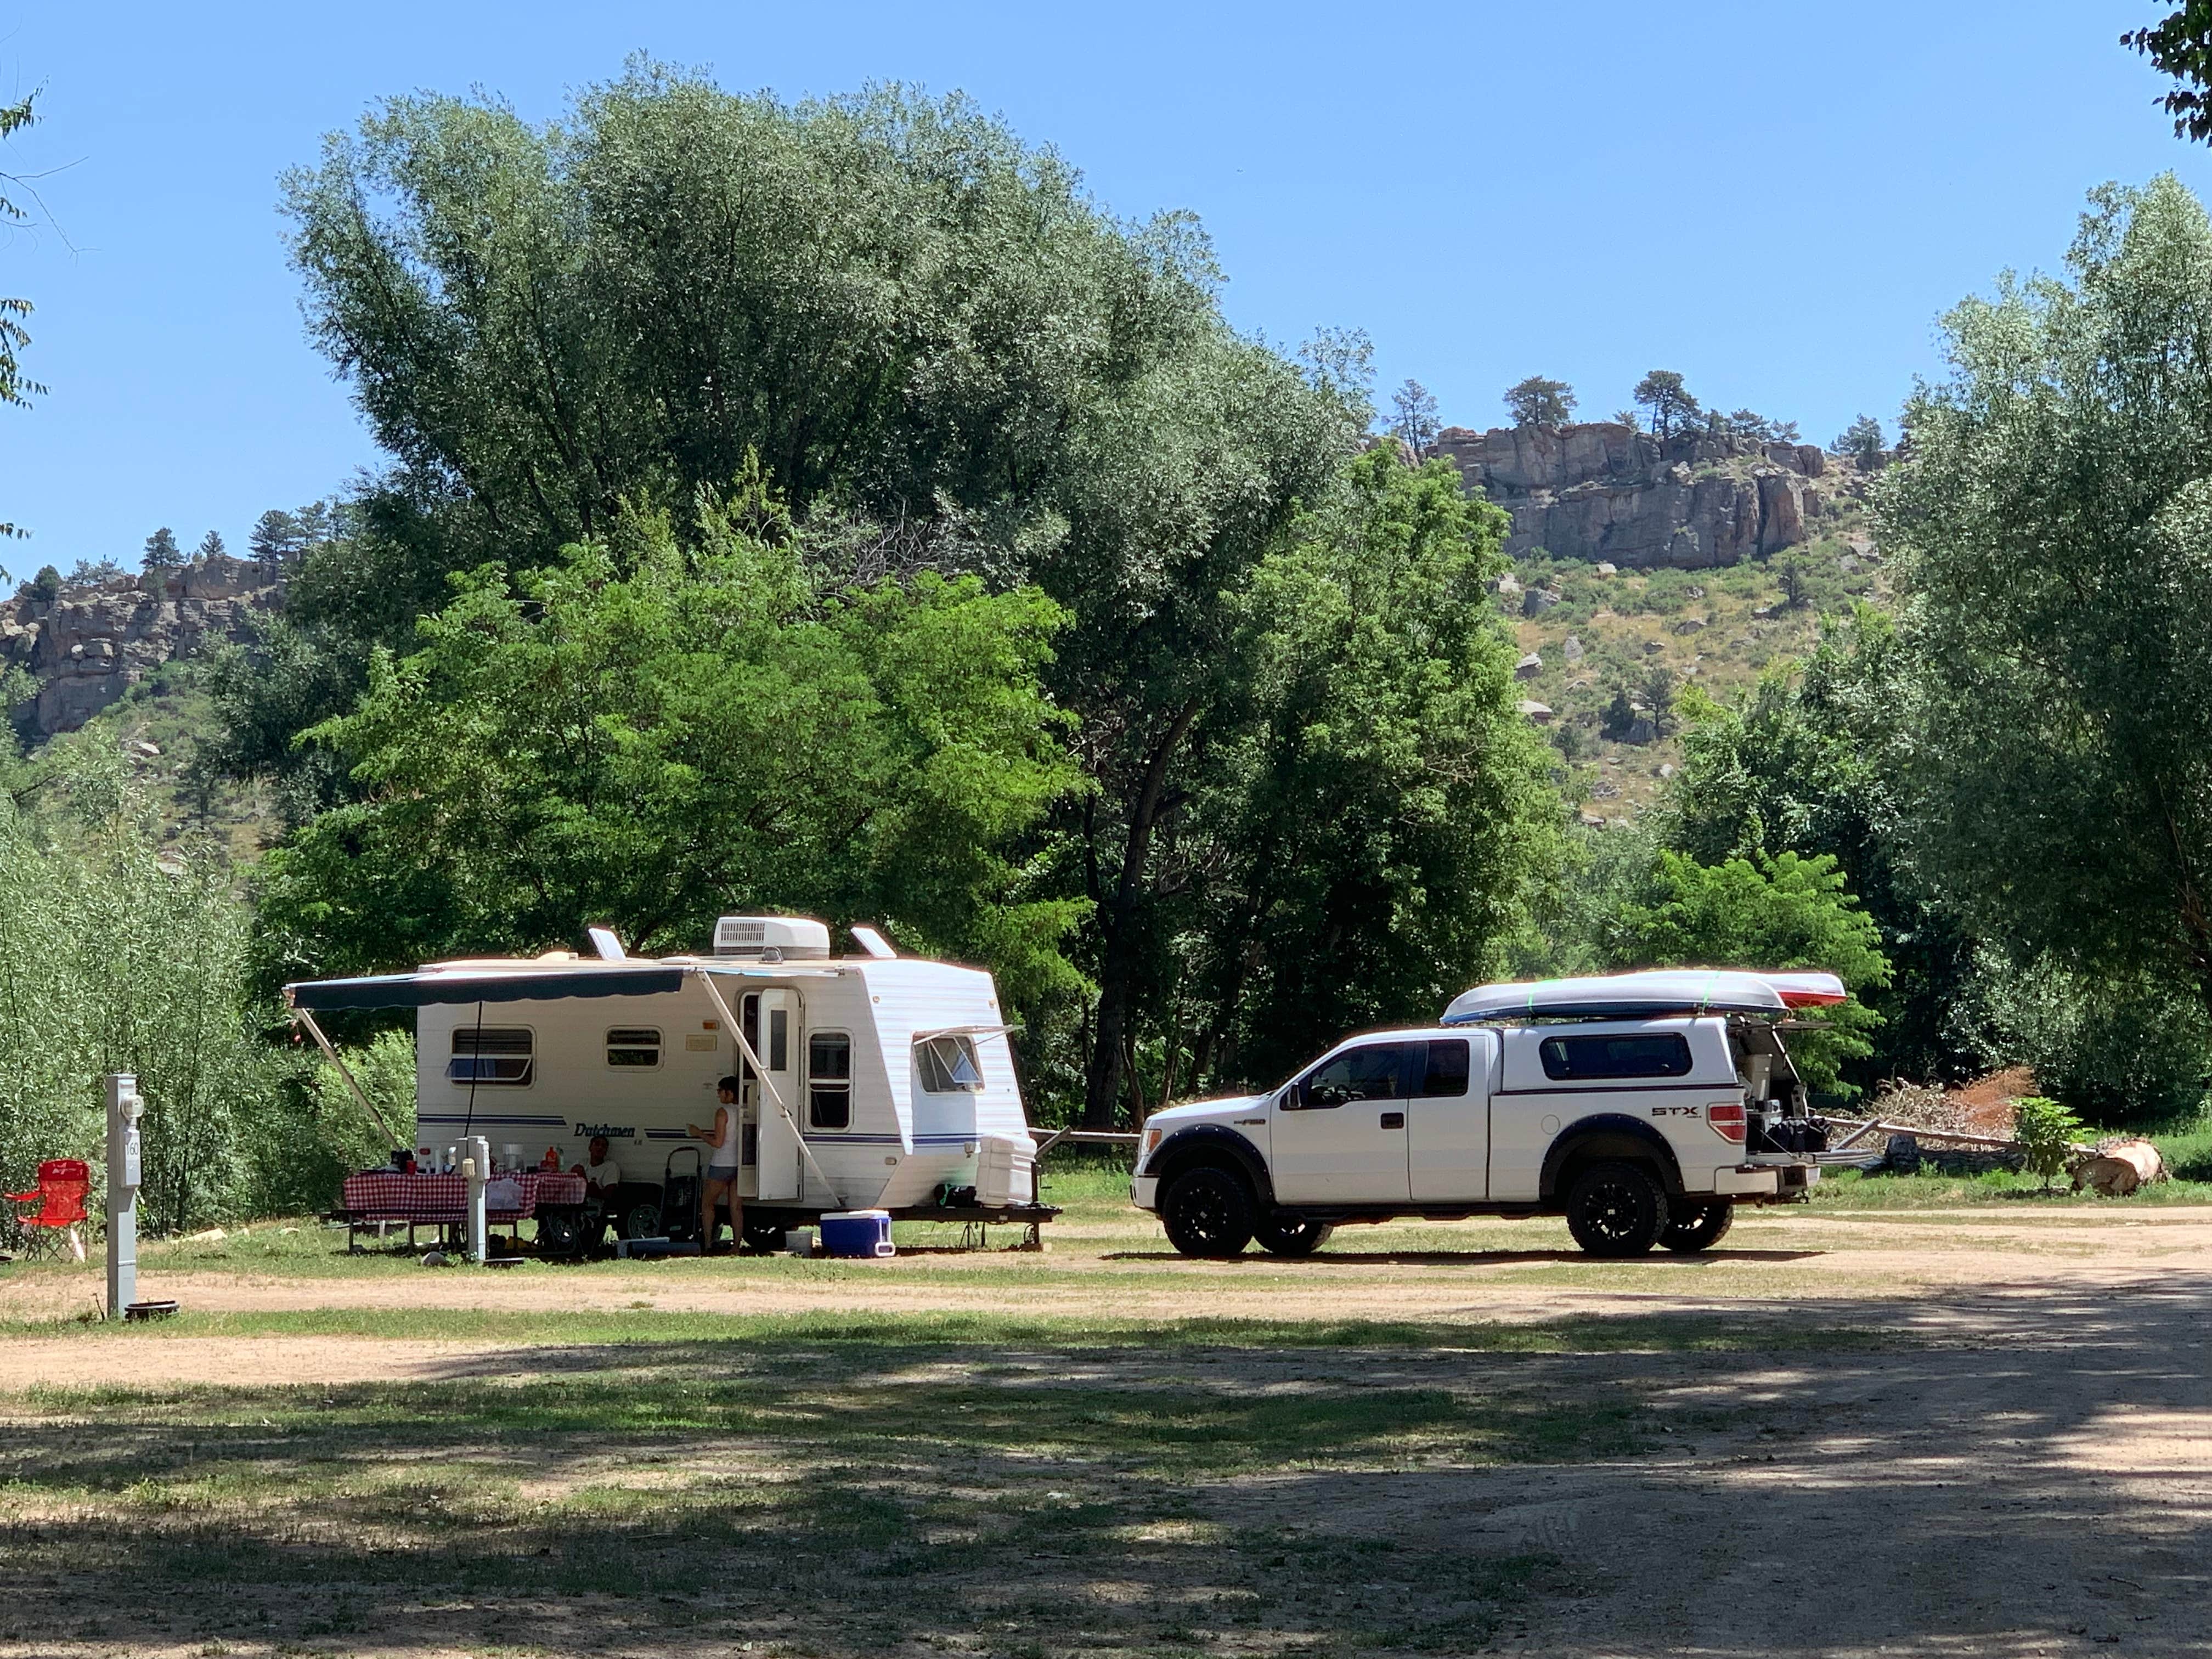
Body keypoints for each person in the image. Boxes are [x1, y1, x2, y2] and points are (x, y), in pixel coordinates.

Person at [687, 1076, 744, 1254]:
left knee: (707, 1204)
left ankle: (708, 1243)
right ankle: (736, 1246)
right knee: (735, 1206)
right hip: (740, 1164)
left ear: (729, 1093)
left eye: (720, 1091)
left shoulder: (722, 1112)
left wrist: (699, 1133)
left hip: (721, 1163)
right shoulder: (744, 1110)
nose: (718, 1095)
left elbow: (718, 1143)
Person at [571, 1136, 627, 1249]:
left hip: (595, 1203)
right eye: (597, 1144)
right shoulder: (582, 1163)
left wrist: (585, 1183)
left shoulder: (610, 1167)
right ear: (590, 1148)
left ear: (606, 1151)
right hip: (573, 1199)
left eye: (604, 1146)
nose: (600, 1148)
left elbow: (608, 1194)